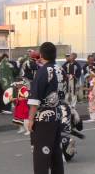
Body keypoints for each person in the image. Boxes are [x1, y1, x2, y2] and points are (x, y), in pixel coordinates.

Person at [28, 42, 64, 174]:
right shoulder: (60, 69)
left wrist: (30, 119)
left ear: (41, 55)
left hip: (43, 117)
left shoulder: (43, 71)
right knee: (55, 152)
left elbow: (35, 98)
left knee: (41, 154)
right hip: (57, 114)